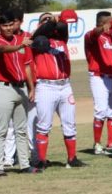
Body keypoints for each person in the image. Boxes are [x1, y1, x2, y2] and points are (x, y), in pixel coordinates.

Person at [30, 10, 84, 170]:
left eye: (50, 19)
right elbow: (40, 32)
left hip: (65, 85)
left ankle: (72, 158)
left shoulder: (61, 38)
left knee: (70, 124)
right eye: (44, 20)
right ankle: (41, 160)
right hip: (46, 86)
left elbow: (63, 27)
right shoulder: (36, 39)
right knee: (44, 125)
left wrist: (60, 19)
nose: (48, 22)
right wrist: (50, 21)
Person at [0, 11, 35, 177]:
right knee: (2, 129)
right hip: (4, 89)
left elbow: (28, 66)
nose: (8, 28)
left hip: (20, 87)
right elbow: (3, 49)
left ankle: (24, 164)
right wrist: (21, 46)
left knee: (21, 130)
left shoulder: (20, 40)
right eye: (4, 25)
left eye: (10, 25)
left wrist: (31, 88)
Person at [84, 11, 112, 155]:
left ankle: (111, 144)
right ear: (102, 22)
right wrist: (101, 29)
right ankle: (97, 144)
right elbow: (93, 34)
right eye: (110, 21)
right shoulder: (92, 35)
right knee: (101, 110)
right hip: (99, 76)